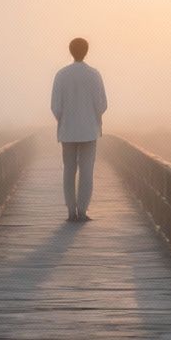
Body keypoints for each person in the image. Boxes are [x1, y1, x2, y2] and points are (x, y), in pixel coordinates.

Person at [50, 37, 108, 221]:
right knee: (86, 171)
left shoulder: (61, 75)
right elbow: (102, 105)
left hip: (67, 131)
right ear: (86, 51)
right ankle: (83, 210)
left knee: (69, 170)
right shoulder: (94, 74)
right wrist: (94, 117)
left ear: (70, 51)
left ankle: (70, 212)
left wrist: (64, 120)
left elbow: (55, 107)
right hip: (89, 131)